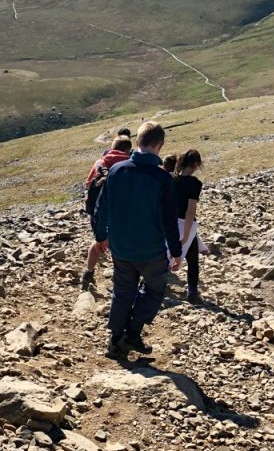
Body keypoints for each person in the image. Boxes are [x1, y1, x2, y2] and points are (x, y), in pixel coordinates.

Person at [93, 120, 181, 357]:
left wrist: (101, 235)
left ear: (138, 141)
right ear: (160, 146)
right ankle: (132, 333)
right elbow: (169, 220)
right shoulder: (162, 179)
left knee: (122, 292)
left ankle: (114, 341)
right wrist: (176, 250)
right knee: (154, 290)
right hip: (151, 250)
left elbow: (102, 207)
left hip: (121, 247)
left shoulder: (117, 170)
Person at [80, 132, 133, 290]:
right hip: (120, 212)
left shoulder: (100, 162)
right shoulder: (129, 163)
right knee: (120, 244)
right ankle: (122, 278)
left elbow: (88, 184)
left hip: (96, 211)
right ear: (128, 149)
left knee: (99, 241)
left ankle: (88, 272)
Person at [174, 149, 208, 305]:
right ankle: (192, 292)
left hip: (170, 223)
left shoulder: (172, 180)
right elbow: (190, 212)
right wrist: (186, 235)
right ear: (196, 164)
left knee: (164, 257)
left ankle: (148, 287)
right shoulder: (195, 184)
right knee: (193, 260)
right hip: (186, 225)